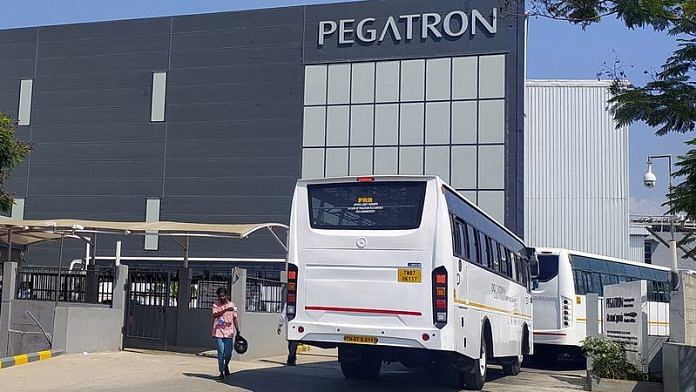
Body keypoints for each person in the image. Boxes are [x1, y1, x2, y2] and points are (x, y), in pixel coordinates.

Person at [212, 287, 240, 381]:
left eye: (223, 296)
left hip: (229, 333)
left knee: (228, 354)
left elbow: (235, 318)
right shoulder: (216, 305)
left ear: (227, 296)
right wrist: (225, 310)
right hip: (218, 332)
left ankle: (226, 366)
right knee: (221, 354)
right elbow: (214, 315)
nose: (221, 298)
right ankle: (221, 372)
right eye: (220, 296)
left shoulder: (232, 305)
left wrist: (238, 330)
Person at [277, 301, 298, 366]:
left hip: (290, 326)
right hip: (294, 325)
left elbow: (283, 315)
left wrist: (280, 325)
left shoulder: (288, 303)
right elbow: (283, 315)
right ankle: (292, 358)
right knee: (293, 343)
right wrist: (280, 325)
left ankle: (291, 358)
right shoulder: (298, 302)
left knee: (292, 343)